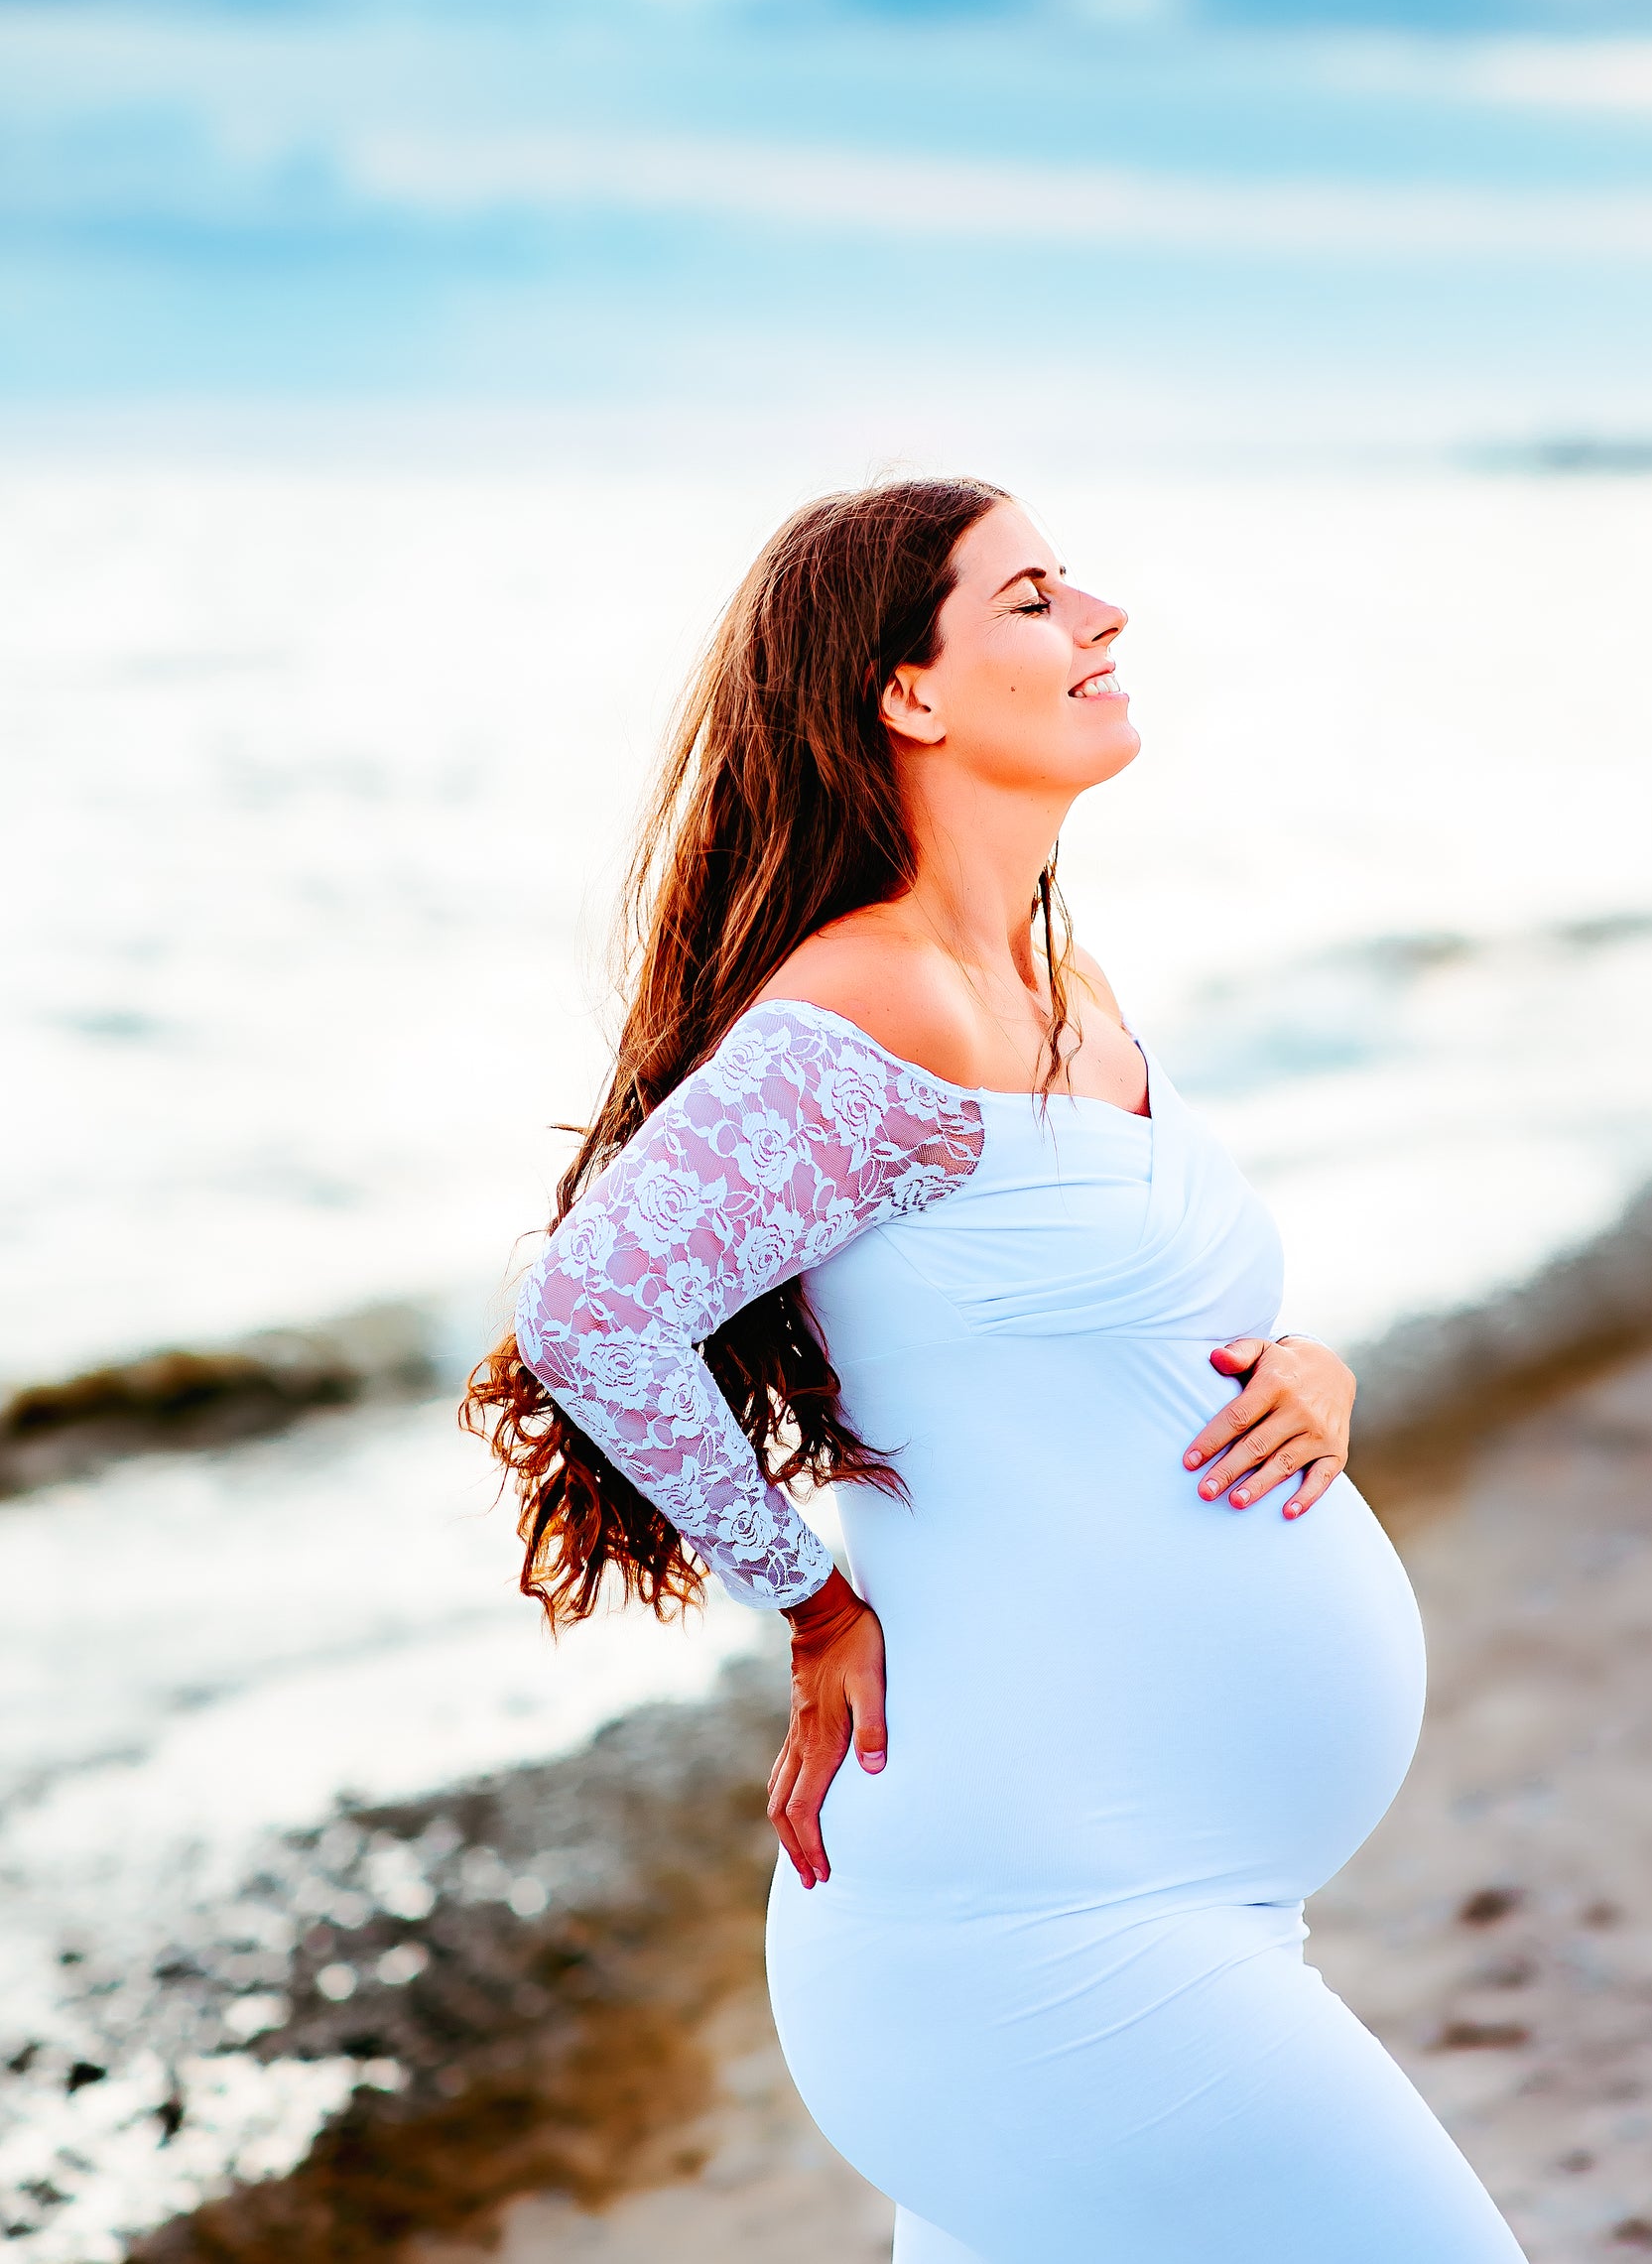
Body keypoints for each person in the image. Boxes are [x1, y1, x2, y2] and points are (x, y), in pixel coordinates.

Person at [465, 476, 1527, 2262]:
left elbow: (1121, 1318)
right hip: (1030, 1927)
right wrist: (805, 1608)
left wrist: (1310, 1377)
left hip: (1171, 1897)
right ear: (909, 694)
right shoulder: (870, 1005)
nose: (1103, 616)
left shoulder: (1063, 980)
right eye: (1033, 595)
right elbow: (594, 1314)